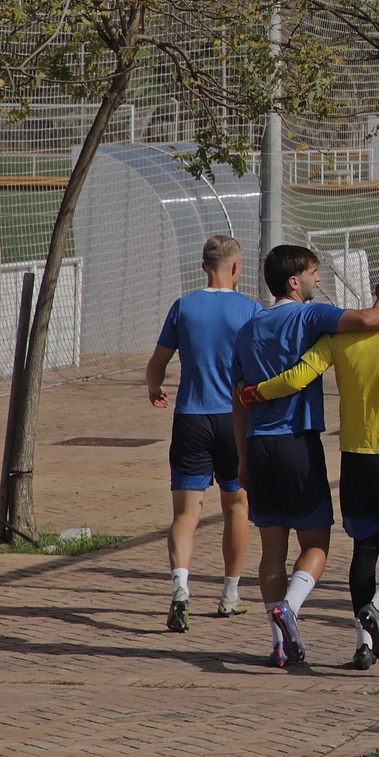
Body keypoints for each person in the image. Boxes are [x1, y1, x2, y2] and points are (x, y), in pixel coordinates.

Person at [242, 260, 379, 670]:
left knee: (365, 547)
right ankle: (378, 607)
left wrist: (257, 393)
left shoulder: (340, 337)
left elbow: (299, 375)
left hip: (355, 460)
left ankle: (363, 646)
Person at [145, 235, 261, 632]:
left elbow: (156, 363)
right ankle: (230, 595)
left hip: (191, 417)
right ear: (234, 268)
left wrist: (154, 387)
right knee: (237, 506)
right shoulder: (249, 309)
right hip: (235, 418)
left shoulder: (184, 307)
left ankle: (180, 588)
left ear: (203, 267)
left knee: (185, 513)